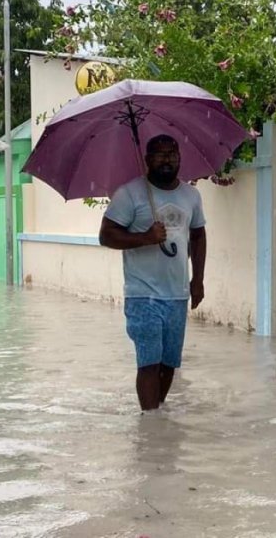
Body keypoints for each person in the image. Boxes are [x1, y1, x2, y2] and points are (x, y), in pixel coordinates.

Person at [99, 134, 207, 411]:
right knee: (149, 361)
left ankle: (157, 420)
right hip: (142, 294)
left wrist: (198, 280)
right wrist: (145, 238)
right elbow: (107, 236)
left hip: (177, 294)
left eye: (172, 153)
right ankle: (149, 426)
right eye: (159, 153)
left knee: (170, 363)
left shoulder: (191, 195)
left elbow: (197, 236)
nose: (167, 158)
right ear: (147, 159)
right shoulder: (129, 194)